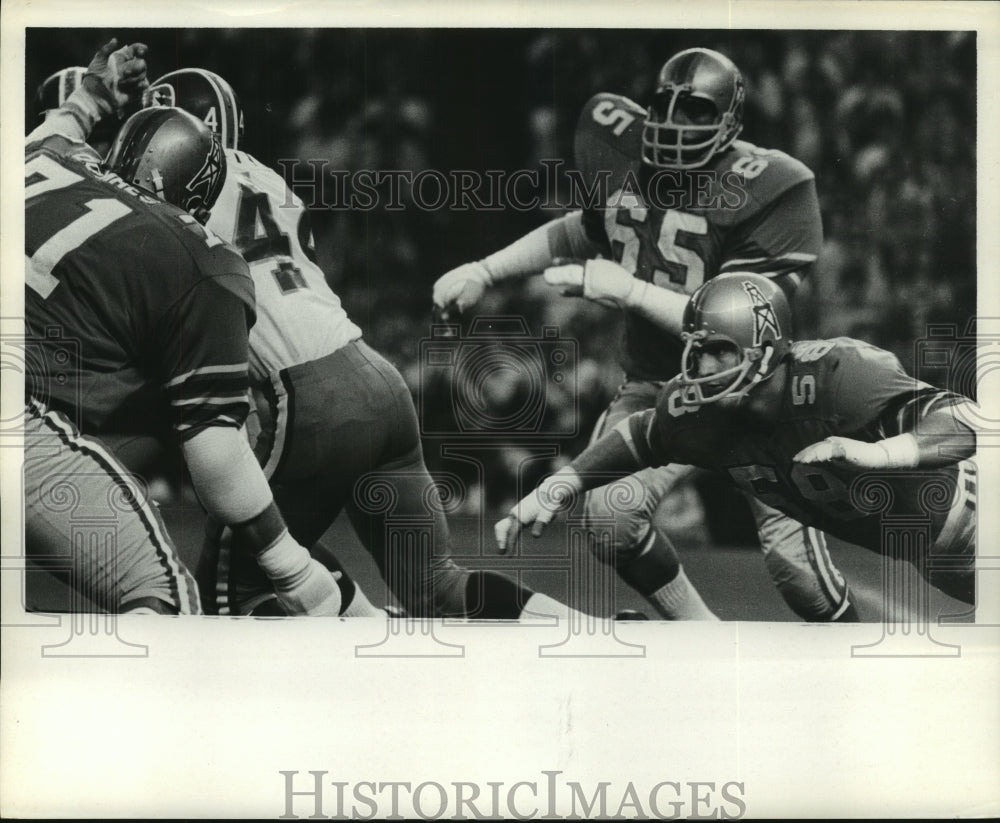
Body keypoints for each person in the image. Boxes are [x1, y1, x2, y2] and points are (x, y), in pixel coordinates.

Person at [142, 67, 583, 621]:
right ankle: (588, 628)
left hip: (310, 397)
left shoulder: (181, 186)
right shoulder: (268, 180)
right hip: (374, 379)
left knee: (230, 590)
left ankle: (340, 649)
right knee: (435, 586)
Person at [434, 47, 858, 621]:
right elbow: (580, 231)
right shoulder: (624, 157)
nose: (675, 123)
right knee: (607, 517)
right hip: (660, 389)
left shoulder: (774, 186)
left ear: (730, 120)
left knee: (799, 574)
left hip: (752, 397)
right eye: (665, 106)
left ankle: (852, 657)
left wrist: (628, 291)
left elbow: (734, 322)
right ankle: (699, 631)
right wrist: (485, 270)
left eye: (696, 111)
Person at [25, 39, 341, 617]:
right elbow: (216, 449)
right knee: (167, 600)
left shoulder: (47, 157)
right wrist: (294, 570)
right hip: (21, 417)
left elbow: (59, 126)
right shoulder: (203, 259)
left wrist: (91, 97)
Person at [496, 274, 977, 606]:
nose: (701, 368)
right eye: (696, 352)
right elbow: (642, 436)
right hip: (929, 555)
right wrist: (563, 483)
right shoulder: (698, 412)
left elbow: (967, 421)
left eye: (718, 351)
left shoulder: (839, 375)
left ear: (763, 348)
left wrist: (881, 452)